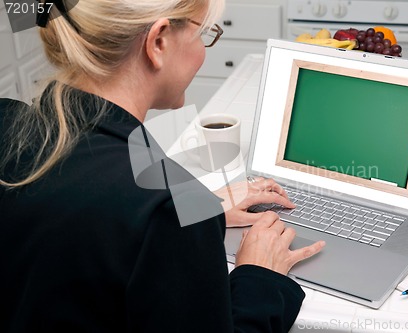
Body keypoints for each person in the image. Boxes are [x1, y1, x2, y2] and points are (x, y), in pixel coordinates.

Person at [0, 0, 325, 332]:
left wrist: (198, 205)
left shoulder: (7, 119)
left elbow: (95, 171)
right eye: (204, 35)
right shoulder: (162, 212)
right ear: (158, 42)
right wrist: (261, 276)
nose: (203, 50)